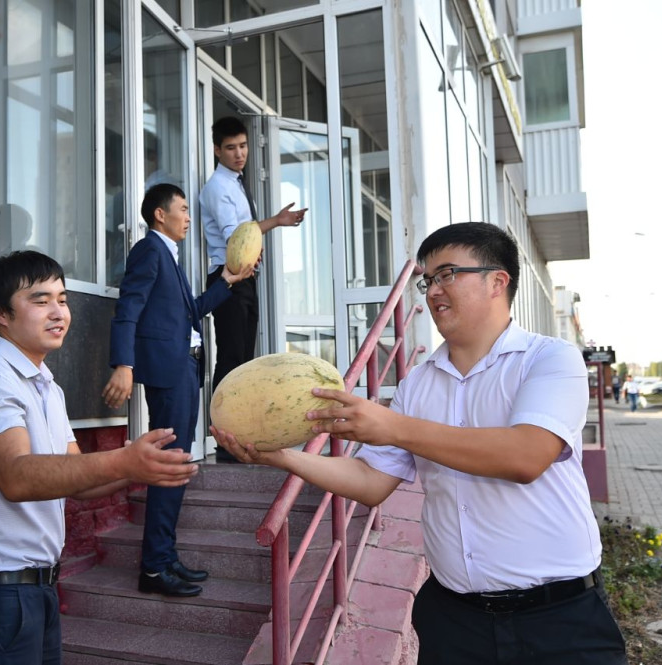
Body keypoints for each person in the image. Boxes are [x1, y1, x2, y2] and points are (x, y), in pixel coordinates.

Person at [213, 222, 627, 664]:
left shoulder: (550, 359)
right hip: (455, 621)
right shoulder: (417, 384)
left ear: (497, 281)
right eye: (427, 281)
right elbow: (371, 481)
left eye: (448, 274)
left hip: (559, 619)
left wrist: (393, 427)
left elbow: (525, 456)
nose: (433, 292)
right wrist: (280, 456)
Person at [0, 250, 199, 664]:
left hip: (37, 589)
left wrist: (147, 467)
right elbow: (17, 476)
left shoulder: (47, 386)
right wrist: (124, 461)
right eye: (40, 300)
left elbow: (80, 483)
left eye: (62, 299)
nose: (58, 312)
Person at [102, 184, 254, 597]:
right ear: (160, 214)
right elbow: (128, 307)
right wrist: (124, 364)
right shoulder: (149, 250)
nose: (188, 217)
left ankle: (165, 557)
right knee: (169, 466)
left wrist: (228, 280)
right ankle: (154, 568)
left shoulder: (170, 255)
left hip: (185, 368)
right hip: (169, 372)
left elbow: (192, 312)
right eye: (183, 209)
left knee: (178, 464)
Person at [199, 116, 308, 461]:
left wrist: (276, 222)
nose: (239, 153)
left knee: (243, 359)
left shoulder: (236, 182)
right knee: (231, 359)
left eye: (243, 146)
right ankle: (222, 441)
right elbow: (236, 236)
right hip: (228, 279)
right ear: (216, 150)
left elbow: (245, 234)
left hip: (244, 279)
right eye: (231, 147)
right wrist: (276, 221)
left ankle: (238, 436)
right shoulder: (217, 187)